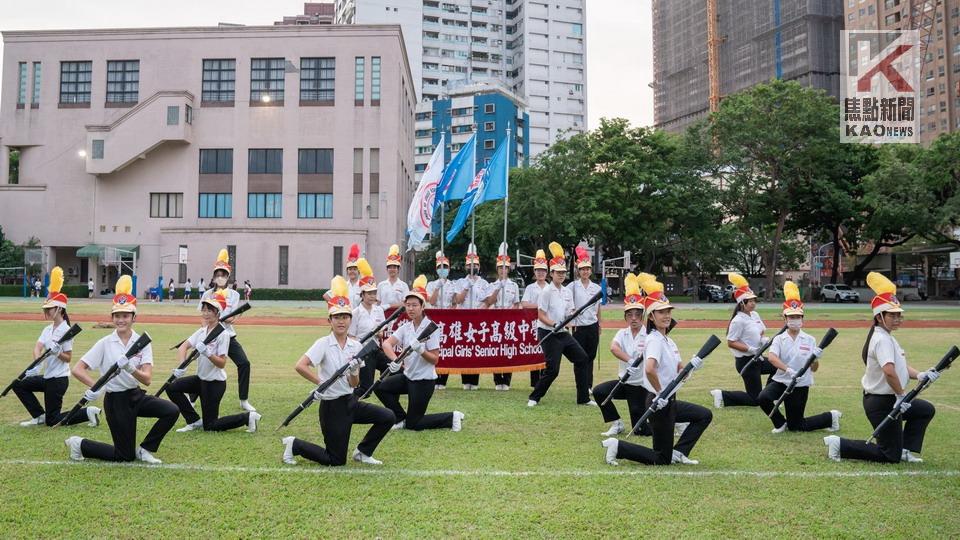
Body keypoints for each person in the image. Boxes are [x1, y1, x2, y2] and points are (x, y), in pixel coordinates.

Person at [824, 273, 938, 464]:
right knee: (889, 455)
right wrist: (901, 395)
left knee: (924, 410)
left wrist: (919, 374)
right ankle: (840, 445)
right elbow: (889, 371)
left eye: (898, 315)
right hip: (881, 403)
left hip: (890, 399)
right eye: (892, 315)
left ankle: (905, 450)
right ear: (879, 317)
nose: (897, 319)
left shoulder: (888, 337)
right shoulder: (881, 339)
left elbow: (899, 366)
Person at [64, 275, 179, 464]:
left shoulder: (142, 342)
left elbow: (147, 379)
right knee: (124, 456)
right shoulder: (105, 343)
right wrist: (97, 387)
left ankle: (146, 449)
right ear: (112, 318)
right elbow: (78, 369)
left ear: (134, 317)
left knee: (171, 410)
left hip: (136, 396)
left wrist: (130, 368)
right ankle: (80, 445)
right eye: (117, 316)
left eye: (125, 315)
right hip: (116, 401)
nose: (121, 320)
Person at [282, 276, 396, 466]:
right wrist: (320, 383)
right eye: (337, 317)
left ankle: (363, 452)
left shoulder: (356, 345)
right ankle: (294, 445)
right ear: (330, 320)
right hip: (332, 407)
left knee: (388, 417)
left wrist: (353, 372)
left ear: (350, 319)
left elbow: (354, 384)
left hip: (350, 401)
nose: (341, 321)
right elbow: (300, 365)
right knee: (335, 460)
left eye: (344, 317)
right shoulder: (323, 343)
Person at [601, 275, 711, 466]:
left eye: (668, 311)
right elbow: (650, 369)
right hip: (658, 401)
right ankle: (618, 446)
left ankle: (679, 452)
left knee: (703, 415)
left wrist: (693, 366)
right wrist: (660, 393)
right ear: (651, 316)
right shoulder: (653, 340)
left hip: (669, 400)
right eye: (660, 312)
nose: (666, 315)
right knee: (661, 458)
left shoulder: (668, 340)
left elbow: (679, 369)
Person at [13, 266, 100, 427]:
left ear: (59, 309)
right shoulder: (47, 329)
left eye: (49, 308)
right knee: (19, 384)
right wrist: (36, 364)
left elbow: (68, 358)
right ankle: (38, 415)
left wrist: (57, 352)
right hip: (47, 376)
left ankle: (88, 412)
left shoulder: (66, 331)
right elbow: (37, 347)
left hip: (58, 380)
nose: (46, 311)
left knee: (52, 420)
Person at [375, 275, 464, 432]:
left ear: (423, 306)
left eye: (415, 305)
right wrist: (396, 360)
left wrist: (421, 350)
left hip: (423, 381)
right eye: (408, 305)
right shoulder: (406, 327)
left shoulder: (431, 328)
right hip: (408, 376)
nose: (410, 309)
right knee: (380, 387)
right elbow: (387, 343)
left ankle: (452, 417)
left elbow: (435, 359)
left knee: (414, 424)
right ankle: (400, 417)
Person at [167, 288, 261, 433]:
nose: (205, 313)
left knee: (210, 425)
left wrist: (207, 353)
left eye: (209, 310)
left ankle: (248, 417)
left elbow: (222, 363)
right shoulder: (202, 331)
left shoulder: (223, 335)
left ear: (218, 313)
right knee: (172, 387)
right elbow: (184, 346)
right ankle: (193, 420)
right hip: (201, 380)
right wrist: (182, 366)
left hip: (214, 384)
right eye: (203, 310)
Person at [757, 281, 841, 433]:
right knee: (763, 397)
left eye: (797, 317)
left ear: (802, 319)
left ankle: (830, 417)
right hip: (782, 380)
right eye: (791, 317)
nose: (794, 320)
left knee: (796, 426)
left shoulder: (810, 340)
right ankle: (780, 423)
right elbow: (772, 358)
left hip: (800, 385)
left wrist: (815, 359)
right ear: (785, 319)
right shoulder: (779, 338)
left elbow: (813, 369)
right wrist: (788, 370)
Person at [528, 242, 594, 407]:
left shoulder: (566, 291)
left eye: (563, 272)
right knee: (553, 370)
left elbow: (569, 312)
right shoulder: (546, 292)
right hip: (548, 333)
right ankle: (534, 397)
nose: (561, 275)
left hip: (562, 332)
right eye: (558, 272)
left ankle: (583, 398)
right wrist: (554, 323)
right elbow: (540, 314)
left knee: (582, 359)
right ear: (552, 274)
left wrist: (573, 315)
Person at [591, 273, 651, 437]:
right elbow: (613, 348)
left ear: (642, 316)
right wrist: (630, 360)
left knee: (640, 431)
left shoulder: (649, 335)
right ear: (625, 317)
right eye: (629, 315)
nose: (633, 319)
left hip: (641, 386)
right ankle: (616, 423)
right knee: (599, 392)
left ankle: (673, 422)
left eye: (637, 315)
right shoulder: (622, 333)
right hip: (624, 382)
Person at [199, 249, 256, 412]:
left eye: (224, 274)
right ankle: (193, 397)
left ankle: (243, 400)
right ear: (214, 276)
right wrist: (205, 334)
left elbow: (231, 318)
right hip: (210, 336)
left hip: (227, 335)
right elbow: (203, 317)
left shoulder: (233, 295)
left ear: (228, 277)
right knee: (205, 366)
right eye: (218, 274)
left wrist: (225, 317)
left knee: (244, 363)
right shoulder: (207, 294)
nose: (221, 277)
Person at [709, 273, 772, 408]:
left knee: (778, 367)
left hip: (758, 359)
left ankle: (769, 395)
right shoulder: (738, 321)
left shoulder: (755, 315)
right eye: (750, 301)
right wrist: (750, 349)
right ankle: (721, 395)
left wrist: (762, 340)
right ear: (742, 303)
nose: (753, 303)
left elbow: (760, 331)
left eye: (754, 300)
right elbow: (731, 342)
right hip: (746, 362)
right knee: (755, 401)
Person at [348, 258, 390, 397]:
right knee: (366, 390)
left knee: (393, 369)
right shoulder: (356, 313)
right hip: (364, 352)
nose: (372, 296)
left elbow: (383, 330)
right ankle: (349, 400)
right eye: (369, 293)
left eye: (374, 293)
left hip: (376, 349)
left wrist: (379, 333)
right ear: (362, 294)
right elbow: (351, 336)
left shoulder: (379, 310)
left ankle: (388, 390)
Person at [483, 245, 521, 390]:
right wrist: (498, 288)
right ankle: (498, 380)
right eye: (500, 268)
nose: (502, 270)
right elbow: (489, 302)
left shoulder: (514, 286)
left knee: (508, 350)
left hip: (509, 321)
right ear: (497, 269)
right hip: (495, 320)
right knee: (496, 350)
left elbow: (516, 304)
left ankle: (507, 380)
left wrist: (510, 314)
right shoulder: (492, 285)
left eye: (505, 268)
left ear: (508, 269)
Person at [453, 244, 489, 390]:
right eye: (469, 265)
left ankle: (474, 381)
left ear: (479, 266)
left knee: (476, 351)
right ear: (465, 267)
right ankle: (465, 381)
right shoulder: (460, 282)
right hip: (463, 321)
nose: (472, 267)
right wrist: (466, 286)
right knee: (465, 350)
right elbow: (458, 300)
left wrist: (479, 312)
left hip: (478, 321)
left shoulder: (484, 283)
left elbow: (488, 302)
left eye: (475, 265)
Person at [568, 246, 602, 394]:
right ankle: (580, 385)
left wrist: (600, 324)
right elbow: (567, 305)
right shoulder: (572, 286)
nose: (585, 272)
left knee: (591, 356)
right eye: (582, 269)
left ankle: (588, 384)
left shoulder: (596, 287)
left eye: (587, 269)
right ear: (578, 270)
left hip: (592, 325)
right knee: (579, 357)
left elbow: (598, 307)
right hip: (579, 326)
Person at [426, 251, 456, 390]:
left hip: (449, 320)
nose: (442, 269)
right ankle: (435, 377)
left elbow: (456, 302)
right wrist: (437, 288)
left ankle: (444, 379)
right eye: (440, 267)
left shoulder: (453, 284)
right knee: (434, 347)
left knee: (447, 348)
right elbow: (431, 301)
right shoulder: (432, 284)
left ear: (449, 269)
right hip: (435, 320)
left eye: (445, 266)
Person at [521, 249, 549, 388]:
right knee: (534, 351)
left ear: (547, 272)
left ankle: (543, 382)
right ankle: (534, 382)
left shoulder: (550, 288)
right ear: (534, 272)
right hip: (533, 325)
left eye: (543, 270)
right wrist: (540, 306)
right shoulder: (530, 288)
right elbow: (525, 304)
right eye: (538, 270)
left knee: (545, 353)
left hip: (547, 325)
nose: (540, 273)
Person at [325, 244, 363, 308]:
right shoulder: (343, 285)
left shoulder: (363, 286)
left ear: (359, 272)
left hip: (359, 317)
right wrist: (337, 306)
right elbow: (326, 296)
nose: (352, 271)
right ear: (347, 272)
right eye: (350, 269)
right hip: (345, 317)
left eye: (354, 269)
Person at [377, 244, 409, 309]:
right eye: (390, 267)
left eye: (394, 267)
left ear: (398, 269)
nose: (392, 270)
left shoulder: (403, 285)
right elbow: (378, 303)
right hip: (383, 315)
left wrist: (389, 306)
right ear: (386, 269)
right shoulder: (381, 285)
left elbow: (405, 303)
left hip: (398, 316)